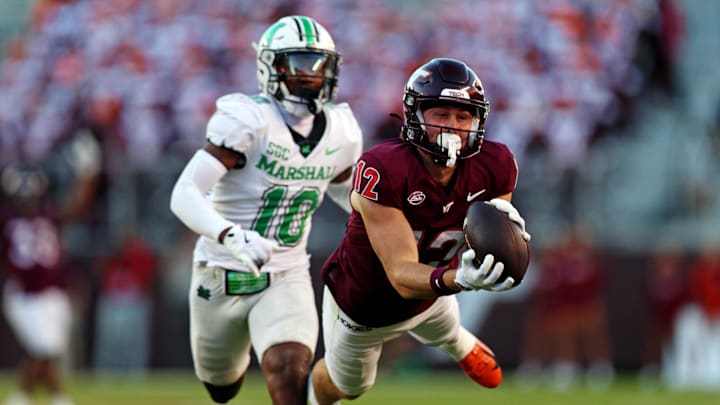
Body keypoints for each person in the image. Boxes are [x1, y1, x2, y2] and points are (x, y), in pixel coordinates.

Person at [307, 57, 531, 404]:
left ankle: (457, 342)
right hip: (365, 303)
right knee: (350, 387)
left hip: (432, 297)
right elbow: (399, 274)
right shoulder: (383, 168)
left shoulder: (495, 165)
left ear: (479, 120)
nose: (452, 126)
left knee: (442, 323)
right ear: (414, 115)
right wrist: (460, 278)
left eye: (463, 115)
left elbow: (493, 228)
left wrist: (507, 237)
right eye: (440, 114)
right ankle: (312, 393)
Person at [169, 15, 363, 404]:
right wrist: (231, 235)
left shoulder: (342, 129)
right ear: (270, 68)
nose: (310, 76)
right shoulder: (248, 120)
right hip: (220, 271)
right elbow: (184, 192)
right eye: (298, 65)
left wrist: (395, 228)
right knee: (221, 387)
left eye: (318, 65)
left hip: (285, 270)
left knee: (289, 366)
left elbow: (351, 196)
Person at [1, 133, 101, 405]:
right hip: (23, 294)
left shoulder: (49, 215)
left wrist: (87, 172)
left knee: (49, 349)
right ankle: (44, 396)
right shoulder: (6, 220)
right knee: (44, 347)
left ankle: (32, 396)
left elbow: (78, 205)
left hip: (52, 292)